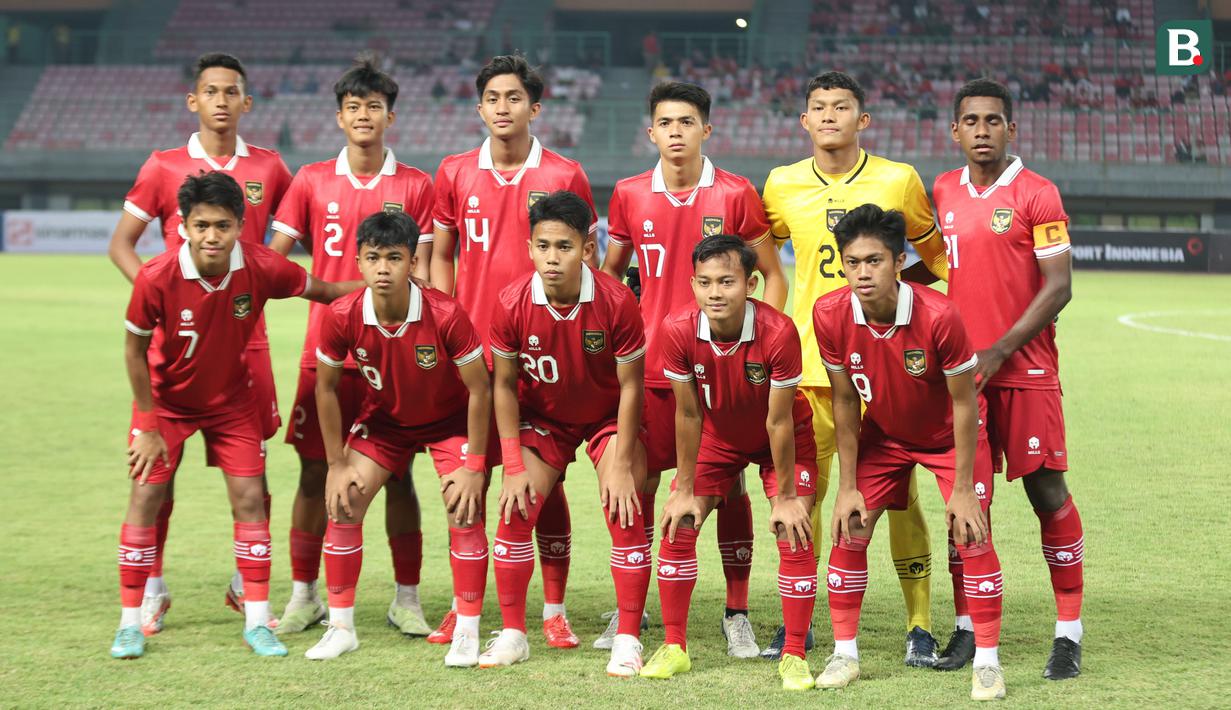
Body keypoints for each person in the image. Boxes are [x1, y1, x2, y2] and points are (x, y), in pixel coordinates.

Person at [110, 172, 357, 660]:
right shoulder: (156, 277)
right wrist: (148, 422)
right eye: (200, 225)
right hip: (166, 405)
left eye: (222, 225)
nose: (211, 236)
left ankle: (256, 621)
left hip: (232, 403)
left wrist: (387, 285)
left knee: (250, 498)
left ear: (241, 225)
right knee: (145, 498)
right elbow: (134, 352)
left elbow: (327, 291)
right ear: (183, 225)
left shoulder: (261, 265)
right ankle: (129, 623)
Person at [761, 70, 949, 667]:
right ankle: (803, 620)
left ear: (861, 119)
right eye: (817, 108)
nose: (829, 117)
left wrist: (893, 305)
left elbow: (939, 258)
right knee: (806, 498)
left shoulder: (899, 180)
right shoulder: (782, 184)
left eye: (841, 107)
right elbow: (763, 264)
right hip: (811, 370)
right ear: (804, 120)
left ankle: (918, 624)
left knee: (897, 497)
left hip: (886, 371)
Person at [599, 80, 788, 657]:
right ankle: (634, 606)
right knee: (641, 482)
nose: (676, 132)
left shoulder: (734, 193)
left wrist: (754, 346)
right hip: (654, 367)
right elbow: (610, 280)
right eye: (665, 122)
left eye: (687, 122)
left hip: (724, 371)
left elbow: (773, 276)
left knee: (728, 486)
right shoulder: (630, 195)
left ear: (707, 129)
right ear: (651, 131)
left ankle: (736, 612)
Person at [107, 51, 292, 635]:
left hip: (248, 342)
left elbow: (279, 249)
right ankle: (152, 589)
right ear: (194, 100)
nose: (219, 100)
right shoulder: (163, 166)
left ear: (245, 102)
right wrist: (166, 299)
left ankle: (248, 587)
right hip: (178, 346)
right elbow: (121, 244)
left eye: (230, 91)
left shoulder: (270, 167)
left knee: (253, 472)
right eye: (209, 91)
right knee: (158, 468)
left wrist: (247, 292)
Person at [427, 53, 597, 648]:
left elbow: (586, 258)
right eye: (493, 99)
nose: (503, 108)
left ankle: (552, 609)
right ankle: (463, 603)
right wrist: (443, 325)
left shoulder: (564, 174)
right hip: (470, 355)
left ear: (535, 107)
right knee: (462, 483)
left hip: (539, 356)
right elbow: (441, 255)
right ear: (480, 108)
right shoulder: (452, 172)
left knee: (537, 485)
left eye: (514, 98)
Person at [269, 58, 437, 637]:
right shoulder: (311, 180)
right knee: (315, 472)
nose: (364, 116)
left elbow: (431, 273)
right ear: (339, 116)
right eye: (353, 107)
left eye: (374, 106)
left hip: (395, 355)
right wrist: (338, 291)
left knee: (400, 475)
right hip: (330, 353)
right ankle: (303, 595)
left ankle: (406, 599)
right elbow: (274, 260)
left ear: (391, 115)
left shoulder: (416, 184)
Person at [811, 203, 1005, 700]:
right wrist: (849, 486)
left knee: (972, 532)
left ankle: (987, 662)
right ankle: (845, 654)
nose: (862, 273)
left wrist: (963, 490)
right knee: (850, 527)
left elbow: (965, 403)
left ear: (899, 262)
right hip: (886, 435)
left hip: (949, 436)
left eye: (874, 261)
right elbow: (845, 400)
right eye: (852, 262)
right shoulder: (830, 313)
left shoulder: (939, 315)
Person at [934, 78, 1083, 681]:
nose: (982, 131)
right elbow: (931, 264)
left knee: (1047, 494)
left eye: (993, 121)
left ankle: (1068, 633)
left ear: (1011, 129)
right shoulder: (942, 188)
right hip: (962, 378)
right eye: (971, 121)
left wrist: (997, 350)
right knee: (965, 504)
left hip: (1027, 372)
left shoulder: (1037, 194)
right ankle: (968, 626)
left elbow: (1059, 286)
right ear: (955, 131)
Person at [303, 210, 494, 665]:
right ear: (358, 262)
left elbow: (480, 388)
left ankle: (466, 629)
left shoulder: (444, 313)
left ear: (413, 263)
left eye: (394, 257)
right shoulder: (342, 315)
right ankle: (341, 628)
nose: (383, 268)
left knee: (464, 510)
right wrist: (336, 463)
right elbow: (325, 388)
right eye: (374, 258)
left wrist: (475, 465)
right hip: (387, 421)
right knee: (345, 500)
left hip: (449, 422)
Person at [482, 191, 651, 676]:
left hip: (605, 417)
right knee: (514, 512)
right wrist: (513, 465)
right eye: (543, 246)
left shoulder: (617, 301)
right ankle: (514, 634)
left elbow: (630, 386)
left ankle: (627, 639)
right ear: (530, 247)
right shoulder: (511, 302)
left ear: (587, 248)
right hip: (545, 419)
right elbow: (506, 386)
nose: (552, 257)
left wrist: (620, 463)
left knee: (625, 507)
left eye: (564, 246)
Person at [639, 236, 818, 692]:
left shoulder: (778, 333)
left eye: (726, 281)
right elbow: (688, 413)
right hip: (718, 437)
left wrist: (787, 497)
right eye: (704, 283)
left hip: (783, 439)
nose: (715, 293)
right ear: (692, 284)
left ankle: (795, 654)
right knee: (679, 521)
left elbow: (778, 421)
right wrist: (682, 486)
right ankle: (675, 647)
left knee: (792, 529)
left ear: (751, 283)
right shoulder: (678, 329)